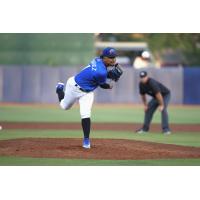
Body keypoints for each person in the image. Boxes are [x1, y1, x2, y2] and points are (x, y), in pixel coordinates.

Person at [56, 47, 123, 149]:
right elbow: (103, 84)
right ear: (104, 58)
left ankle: (86, 139)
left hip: (87, 93)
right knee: (64, 106)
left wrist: (110, 75)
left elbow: (101, 74)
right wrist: (112, 83)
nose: (113, 59)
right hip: (74, 86)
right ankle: (59, 89)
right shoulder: (101, 72)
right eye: (110, 57)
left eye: (114, 57)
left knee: (85, 114)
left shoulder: (97, 60)